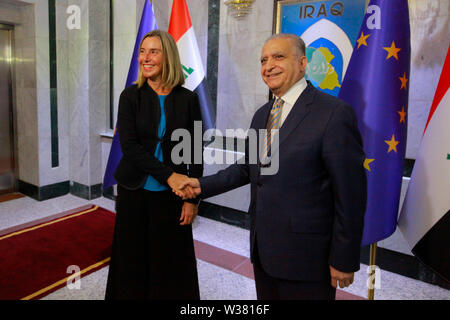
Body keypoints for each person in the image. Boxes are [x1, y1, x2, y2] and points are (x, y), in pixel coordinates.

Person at [176, 34, 367, 300]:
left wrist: (344, 258)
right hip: (264, 251)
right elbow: (248, 168)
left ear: (302, 63)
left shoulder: (333, 114)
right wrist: (200, 185)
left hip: (308, 259)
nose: (268, 66)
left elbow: (351, 194)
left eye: (279, 57)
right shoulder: (262, 114)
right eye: (263, 60)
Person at [105, 30, 202, 300]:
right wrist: (169, 175)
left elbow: (194, 152)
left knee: (171, 258)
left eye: (153, 52)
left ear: (167, 56)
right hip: (134, 189)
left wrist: (193, 200)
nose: (145, 58)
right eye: (142, 52)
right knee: (132, 256)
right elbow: (131, 148)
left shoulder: (188, 99)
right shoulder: (130, 96)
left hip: (175, 194)